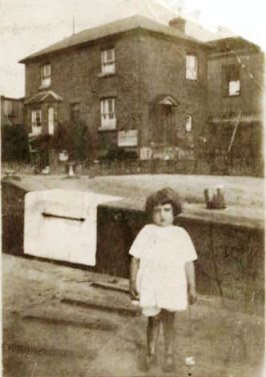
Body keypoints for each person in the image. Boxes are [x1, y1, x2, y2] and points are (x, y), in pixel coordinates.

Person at [129, 187, 197, 372]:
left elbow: (188, 262)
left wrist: (192, 287)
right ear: (151, 212)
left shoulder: (180, 234)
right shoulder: (146, 231)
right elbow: (134, 258)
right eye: (157, 210)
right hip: (151, 283)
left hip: (172, 284)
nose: (162, 215)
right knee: (153, 320)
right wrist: (132, 282)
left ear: (174, 212)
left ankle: (169, 356)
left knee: (169, 321)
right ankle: (150, 354)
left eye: (166, 210)